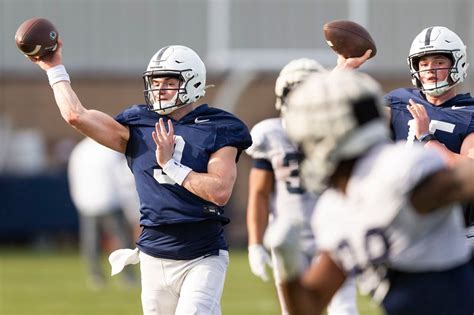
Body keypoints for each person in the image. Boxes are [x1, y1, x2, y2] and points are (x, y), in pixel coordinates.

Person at [28, 41, 252, 315]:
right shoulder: (137, 123)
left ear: (193, 82)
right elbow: (76, 116)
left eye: (169, 82)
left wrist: (172, 166)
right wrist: (54, 69)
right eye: (155, 83)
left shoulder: (219, 126)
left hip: (202, 253)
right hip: (153, 253)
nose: (159, 89)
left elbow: (219, 191)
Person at [264, 69, 474, 315]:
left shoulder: (396, 171)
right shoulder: (334, 208)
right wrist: (289, 271)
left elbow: (462, 181)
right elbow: (310, 305)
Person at [245, 58, 358, 315]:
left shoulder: (339, 130)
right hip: (288, 236)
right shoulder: (270, 134)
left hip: (332, 234)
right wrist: (255, 243)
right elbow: (259, 193)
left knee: (344, 308)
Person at [68, 137, 138, 289]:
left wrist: (79, 200)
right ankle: (127, 276)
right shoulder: (108, 149)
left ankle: (95, 275)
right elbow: (122, 177)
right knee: (122, 239)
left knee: (92, 242)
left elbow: (73, 177)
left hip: (88, 203)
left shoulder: (79, 150)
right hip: (110, 201)